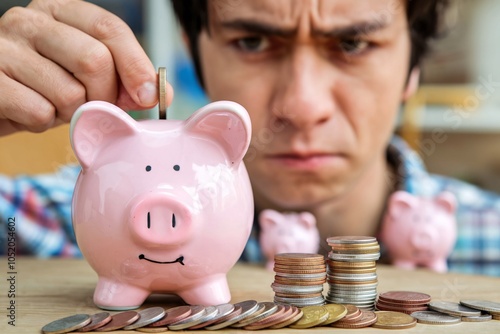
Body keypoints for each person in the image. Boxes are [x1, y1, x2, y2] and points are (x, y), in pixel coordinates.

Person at [0, 0, 499, 276]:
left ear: (414, 67)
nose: (302, 108)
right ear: (195, 55)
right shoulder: (69, 222)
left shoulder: (490, 245)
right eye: (254, 42)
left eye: (353, 43)